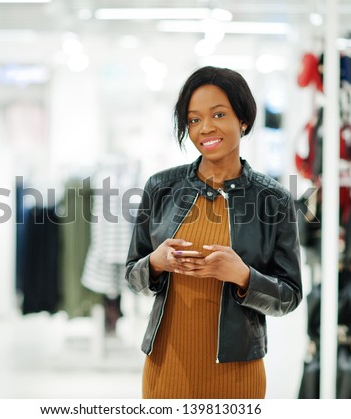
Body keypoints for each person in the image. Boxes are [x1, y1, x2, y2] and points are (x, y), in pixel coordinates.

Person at [125, 66, 303, 399]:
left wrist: (244, 277)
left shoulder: (273, 200)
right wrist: (155, 263)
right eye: (193, 120)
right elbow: (132, 274)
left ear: (243, 120)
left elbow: (289, 295)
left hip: (237, 375)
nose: (205, 128)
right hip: (167, 369)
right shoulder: (161, 188)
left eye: (218, 114)